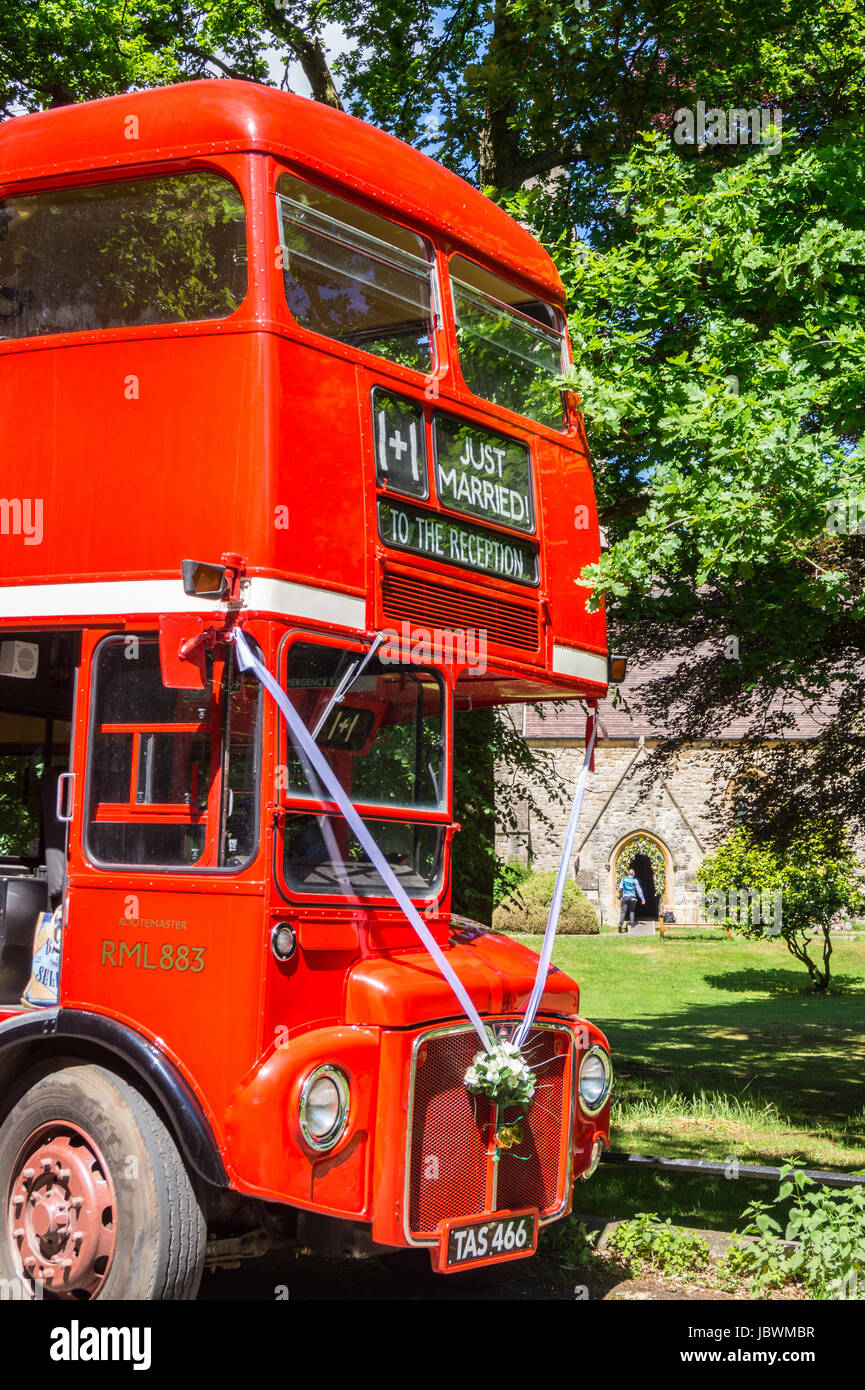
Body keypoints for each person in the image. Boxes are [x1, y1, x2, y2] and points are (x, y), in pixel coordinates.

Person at [618, 861, 645, 932]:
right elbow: (639, 890)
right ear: (633, 874)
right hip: (632, 897)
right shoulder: (635, 880)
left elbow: (620, 888)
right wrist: (642, 898)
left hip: (625, 897)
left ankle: (620, 924)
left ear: (628, 873)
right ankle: (632, 924)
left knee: (623, 912)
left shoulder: (624, 879)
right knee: (632, 910)